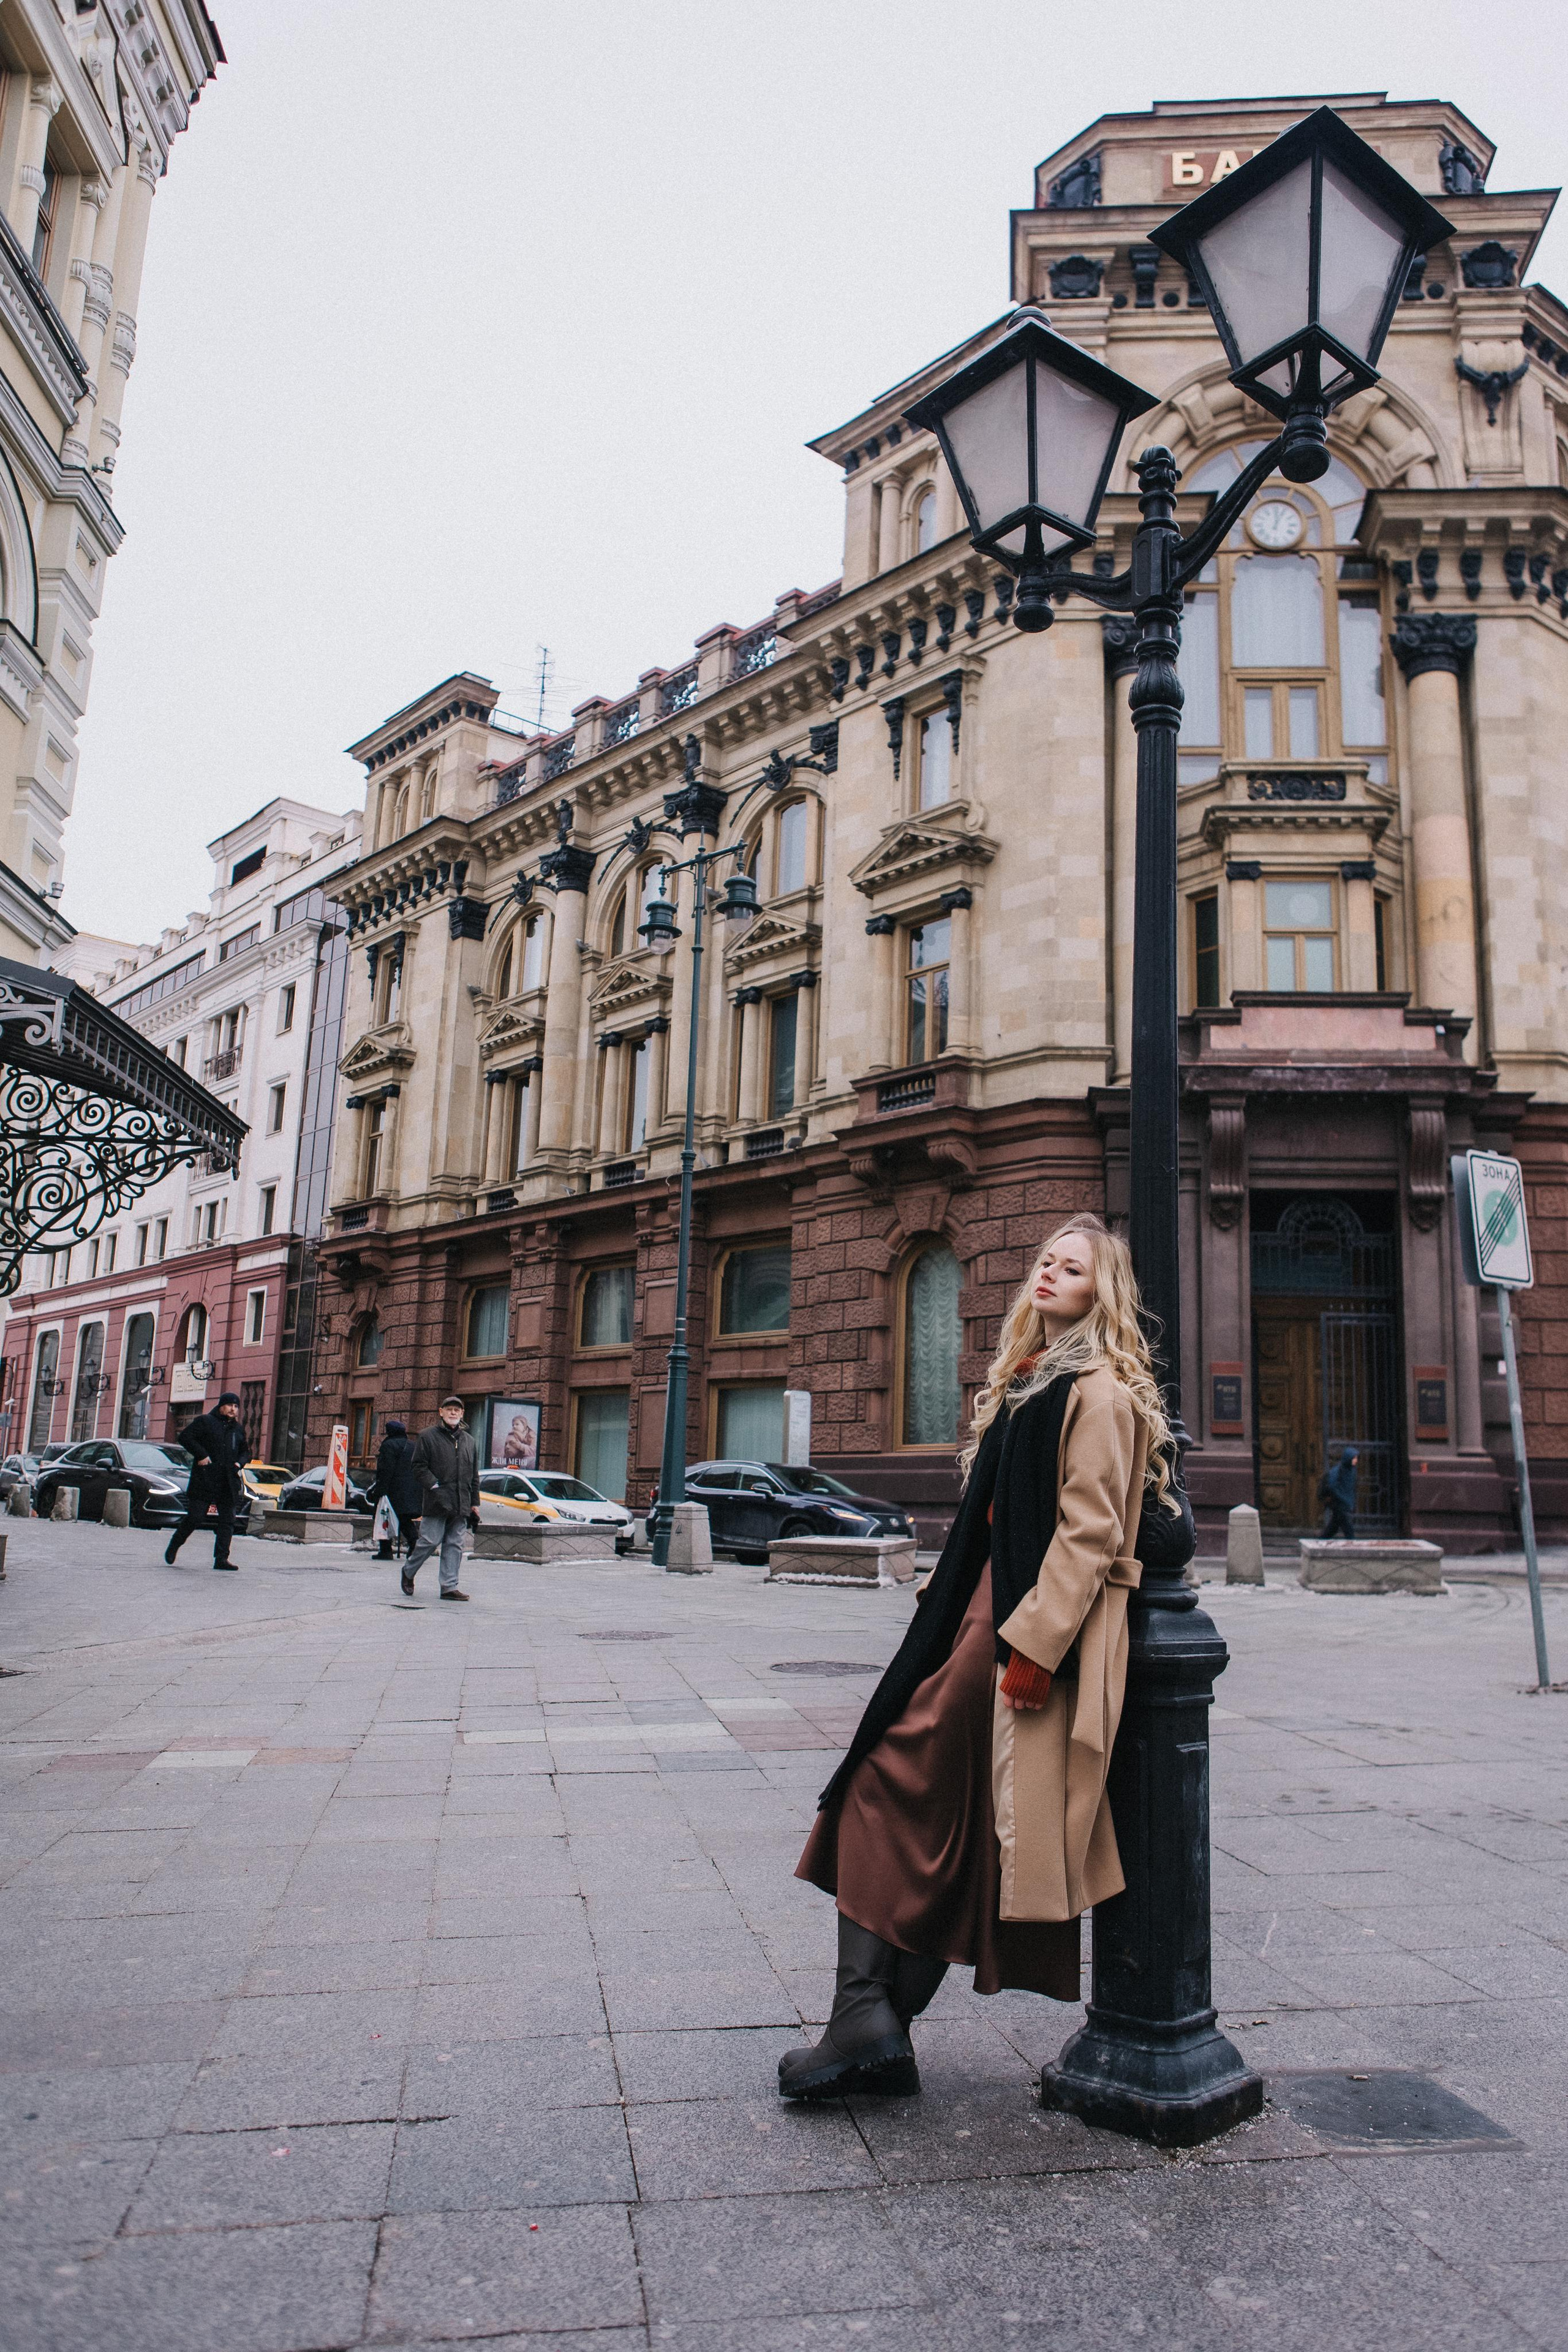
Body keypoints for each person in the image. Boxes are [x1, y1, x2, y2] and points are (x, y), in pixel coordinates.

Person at [781, 1214, 1186, 2101]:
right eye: (1046, 1261)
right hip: (978, 1617)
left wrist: (1035, 1646)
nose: (1049, 1274)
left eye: (1071, 1268)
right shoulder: (1032, 1382)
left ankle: (864, 2018)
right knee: (956, 1832)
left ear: (1101, 1293)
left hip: (1016, 1632)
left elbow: (1089, 1533)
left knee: (883, 1783)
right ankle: (875, 2033)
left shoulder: (1100, 1393)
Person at [403, 1396, 480, 1600]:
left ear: (462, 1414)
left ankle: (449, 1587)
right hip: (437, 1500)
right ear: (441, 1412)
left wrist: (475, 1503)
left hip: (461, 1502)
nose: (453, 1413)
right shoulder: (427, 1436)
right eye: (449, 1409)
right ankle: (408, 1571)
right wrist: (434, 1485)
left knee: (455, 1545)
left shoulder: (469, 1441)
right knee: (429, 1541)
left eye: (457, 1410)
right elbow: (418, 1467)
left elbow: (474, 1475)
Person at [165, 1392, 251, 1572]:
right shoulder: (205, 1422)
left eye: (236, 1406)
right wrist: (202, 1454)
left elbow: (245, 1451)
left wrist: (239, 1463)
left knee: (228, 1521)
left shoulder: (238, 1429)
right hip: (205, 1478)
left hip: (228, 1480)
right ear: (221, 1406)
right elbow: (185, 1437)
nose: (233, 1409)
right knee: (195, 1517)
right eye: (230, 1405)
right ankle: (175, 1544)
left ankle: (221, 1559)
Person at [368, 1419, 423, 1561]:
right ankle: (414, 1544)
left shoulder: (388, 1445)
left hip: (392, 1490)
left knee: (383, 1515)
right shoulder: (413, 1445)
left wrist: (380, 1491)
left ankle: (386, 1550)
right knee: (404, 1518)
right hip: (412, 1490)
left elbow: (385, 1471)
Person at [1321, 1446, 1359, 1540]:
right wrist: (1341, 1497)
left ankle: (1322, 1541)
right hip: (1339, 1504)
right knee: (1348, 1529)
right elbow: (1332, 1485)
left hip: (1345, 1503)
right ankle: (1352, 1544)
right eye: (1354, 1458)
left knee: (1333, 1527)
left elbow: (1350, 1488)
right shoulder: (1338, 1471)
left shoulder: (1351, 1471)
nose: (1356, 1460)